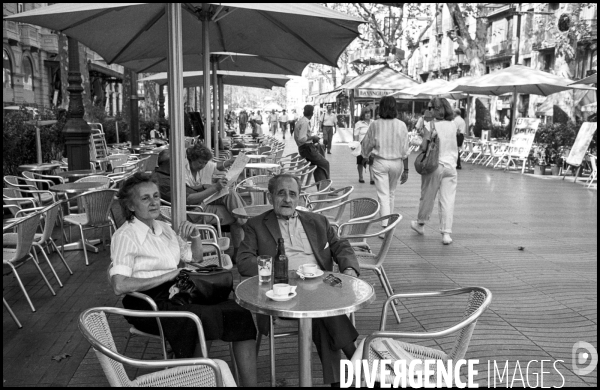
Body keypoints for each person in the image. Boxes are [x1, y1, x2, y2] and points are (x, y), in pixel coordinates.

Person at [109, 172, 257, 386]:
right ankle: (195, 380)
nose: (154, 202)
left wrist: (195, 236)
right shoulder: (125, 236)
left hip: (178, 292)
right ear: (131, 206)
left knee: (239, 313)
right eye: (145, 198)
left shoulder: (164, 229)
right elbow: (119, 285)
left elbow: (194, 258)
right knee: (195, 319)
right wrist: (169, 275)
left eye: (156, 196)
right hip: (147, 303)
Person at [237, 174, 360, 386]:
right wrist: (281, 268)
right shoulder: (255, 225)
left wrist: (349, 268)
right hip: (283, 293)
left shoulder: (317, 221)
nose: (287, 199)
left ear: (299, 198)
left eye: (292, 194)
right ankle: (359, 362)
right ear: (270, 196)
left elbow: (341, 245)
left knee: (321, 313)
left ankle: (341, 381)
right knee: (325, 310)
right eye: (281, 193)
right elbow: (244, 262)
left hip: (320, 286)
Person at [156, 146, 246, 258]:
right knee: (234, 214)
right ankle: (246, 228)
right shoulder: (165, 181)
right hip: (193, 212)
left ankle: (245, 225)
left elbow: (189, 191)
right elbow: (189, 199)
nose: (179, 165)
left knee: (231, 197)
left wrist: (204, 186)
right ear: (168, 164)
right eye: (176, 163)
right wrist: (214, 188)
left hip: (197, 205)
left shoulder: (168, 176)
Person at [411, 97, 459, 245]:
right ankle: (446, 234)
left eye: (431, 107)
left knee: (427, 196)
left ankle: (420, 224)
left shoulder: (430, 125)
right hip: (451, 166)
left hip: (434, 165)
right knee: (447, 200)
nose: (429, 109)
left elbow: (425, 147)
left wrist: (417, 141)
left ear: (438, 109)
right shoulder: (453, 124)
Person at [361, 96, 409, 227]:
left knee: (383, 195)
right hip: (397, 163)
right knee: (391, 193)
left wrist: (365, 156)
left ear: (380, 108)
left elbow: (367, 143)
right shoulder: (402, 125)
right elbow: (405, 149)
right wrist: (407, 169)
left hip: (380, 162)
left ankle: (385, 225)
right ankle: (389, 223)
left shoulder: (375, 124)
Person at [294, 104, 330, 183]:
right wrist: (313, 137)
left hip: (305, 148)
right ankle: (326, 186)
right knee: (325, 163)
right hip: (306, 148)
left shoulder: (302, 121)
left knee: (318, 167)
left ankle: (323, 187)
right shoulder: (305, 122)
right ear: (312, 113)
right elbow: (302, 138)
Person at [353, 109, 374, 184]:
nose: (368, 114)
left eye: (369, 113)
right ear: (363, 115)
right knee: (360, 162)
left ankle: (372, 178)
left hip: (371, 145)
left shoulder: (373, 122)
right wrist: (355, 145)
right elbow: (356, 135)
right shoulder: (359, 123)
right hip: (361, 145)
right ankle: (360, 177)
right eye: (366, 113)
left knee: (372, 161)